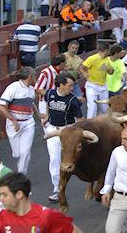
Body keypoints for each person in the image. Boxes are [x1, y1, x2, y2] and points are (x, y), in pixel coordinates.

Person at [42, 72, 83, 202]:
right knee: (54, 160)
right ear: (61, 85)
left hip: (68, 132)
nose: (72, 88)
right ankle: (57, 189)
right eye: (70, 85)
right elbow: (48, 105)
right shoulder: (49, 93)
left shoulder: (72, 100)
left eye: (72, 85)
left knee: (72, 160)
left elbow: (81, 119)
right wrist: (47, 117)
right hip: (53, 131)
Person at [0, 172, 82, 232]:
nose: (0, 199)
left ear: (19, 194)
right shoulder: (2, 218)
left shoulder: (47, 216)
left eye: (4, 195)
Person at [0, 67, 38, 174]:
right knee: (17, 154)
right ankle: (20, 167)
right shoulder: (13, 87)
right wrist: (13, 119)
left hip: (29, 123)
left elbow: (31, 103)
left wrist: (39, 114)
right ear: (30, 76)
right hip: (13, 124)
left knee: (25, 153)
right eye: (34, 75)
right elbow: (1, 105)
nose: (35, 78)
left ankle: (21, 177)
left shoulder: (31, 89)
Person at [79, 41, 113, 118]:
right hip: (92, 86)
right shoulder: (92, 58)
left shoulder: (107, 59)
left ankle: (103, 124)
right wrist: (84, 74)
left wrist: (110, 69)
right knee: (92, 108)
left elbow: (111, 72)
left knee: (104, 108)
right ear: (107, 50)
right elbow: (82, 67)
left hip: (103, 86)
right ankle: (90, 126)